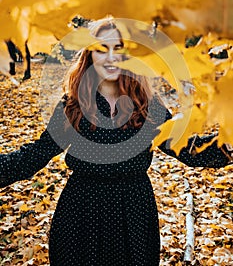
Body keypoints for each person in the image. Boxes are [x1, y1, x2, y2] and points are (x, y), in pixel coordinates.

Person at [0, 20, 232, 266]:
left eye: (119, 48)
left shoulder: (147, 106)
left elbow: (187, 148)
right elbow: (36, 153)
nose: (111, 57)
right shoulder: (74, 105)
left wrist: (227, 145)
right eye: (102, 49)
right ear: (89, 55)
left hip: (134, 214)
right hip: (81, 215)